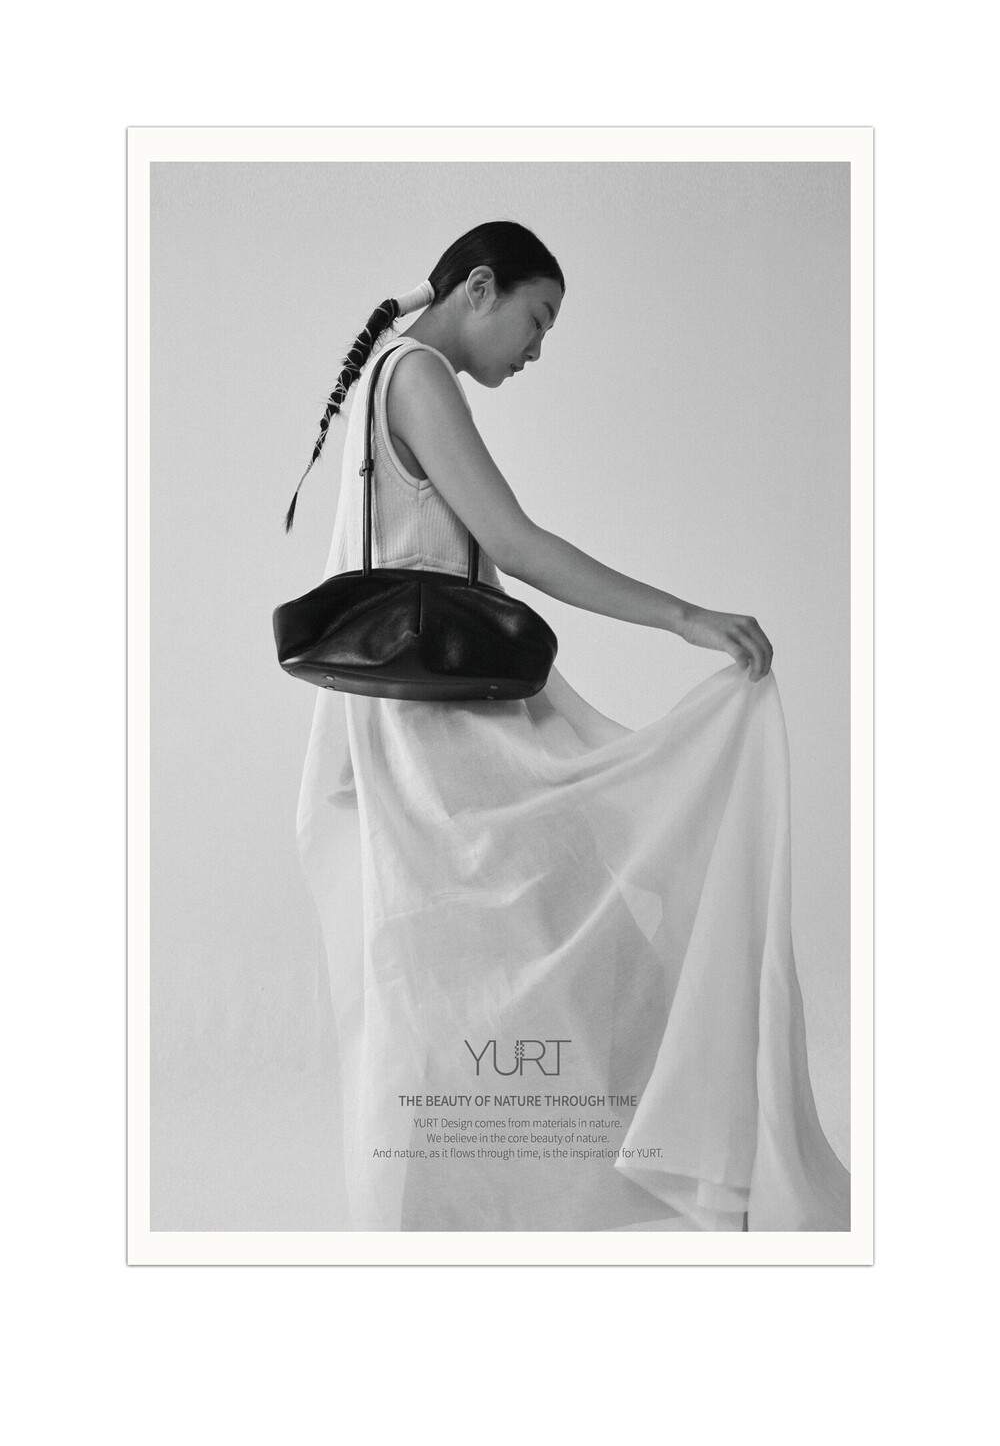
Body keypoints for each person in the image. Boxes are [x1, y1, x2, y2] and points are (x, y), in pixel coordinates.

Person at [289, 220, 850, 1232]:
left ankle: (511, 1197)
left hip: (425, 722)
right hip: (444, 731)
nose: (537, 349)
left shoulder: (392, 372)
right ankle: (651, 1167)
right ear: (480, 287)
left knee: (491, 964)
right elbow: (516, 546)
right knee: (566, 943)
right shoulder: (418, 376)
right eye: (536, 319)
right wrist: (683, 616)